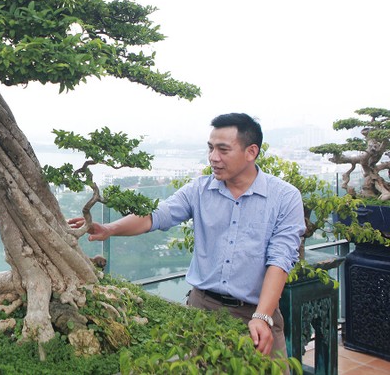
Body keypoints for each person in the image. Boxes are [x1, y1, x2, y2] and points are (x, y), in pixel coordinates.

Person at [69, 113, 305, 358]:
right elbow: (156, 216)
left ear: (251, 152)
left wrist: (262, 316)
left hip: (256, 315)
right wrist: (110, 229)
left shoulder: (284, 198)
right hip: (201, 310)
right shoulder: (199, 190)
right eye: (211, 148)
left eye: (223, 150)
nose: (214, 157)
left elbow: (280, 259)